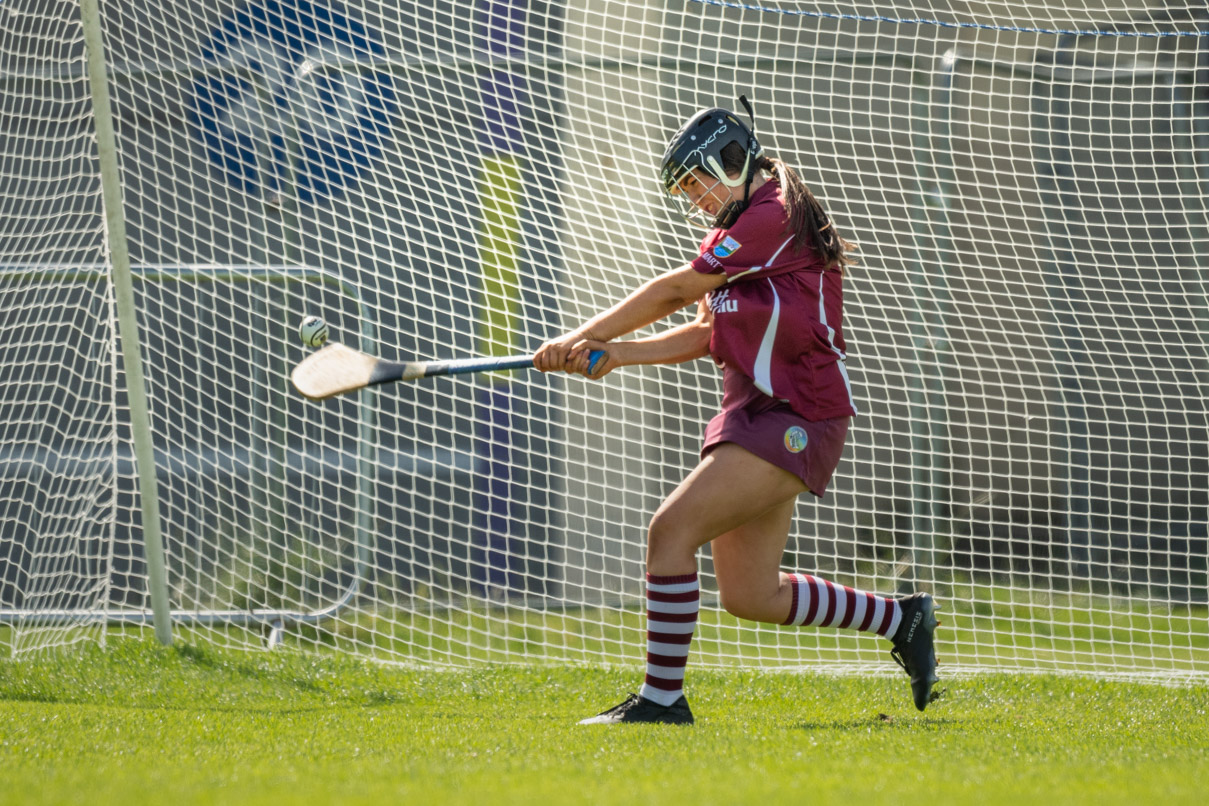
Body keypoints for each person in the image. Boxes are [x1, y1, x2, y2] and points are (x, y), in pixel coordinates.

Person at [534, 100, 939, 725]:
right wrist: (612, 352)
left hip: (798, 413)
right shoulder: (735, 234)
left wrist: (580, 332)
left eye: (696, 180)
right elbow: (702, 334)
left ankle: (661, 702)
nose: (693, 197)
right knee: (752, 595)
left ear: (732, 158)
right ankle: (901, 617)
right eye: (686, 190)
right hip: (753, 413)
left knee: (669, 533)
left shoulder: (772, 215)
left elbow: (674, 290)